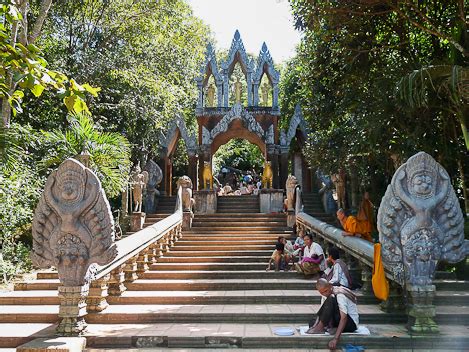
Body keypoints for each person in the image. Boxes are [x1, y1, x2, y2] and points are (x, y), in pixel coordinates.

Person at [308, 279, 359, 350]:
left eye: (326, 291)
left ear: (330, 286)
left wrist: (335, 339)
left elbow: (344, 318)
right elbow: (323, 312)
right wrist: (314, 326)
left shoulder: (339, 294)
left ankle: (324, 328)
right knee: (312, 322)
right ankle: (326, 328)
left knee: (331, 298)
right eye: (322, 292)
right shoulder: (325, 294)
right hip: (337, 319)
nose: (325, 294)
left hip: (350, 323)